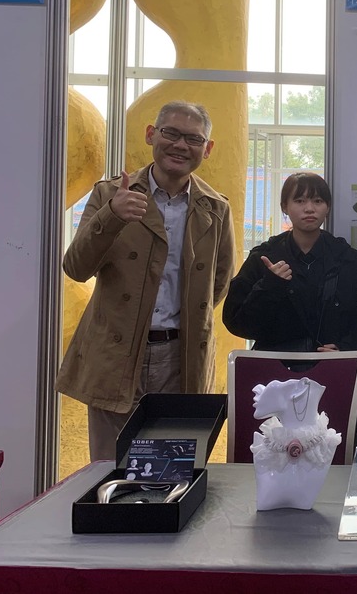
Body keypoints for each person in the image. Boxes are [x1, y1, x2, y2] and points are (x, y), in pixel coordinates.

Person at [57, 101, 236, 462]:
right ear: (151, 135)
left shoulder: (216, 209)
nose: (180, 145)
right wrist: (112, 217)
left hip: (179, 356)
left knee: (172, 466)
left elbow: (218, 283)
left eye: (193, 138)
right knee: (109, 466)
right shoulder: (110, 195)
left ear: (208, 148)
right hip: (118, 351)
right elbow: (76, 267)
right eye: (170, 133)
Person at [223, 172, 357, 356]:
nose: (309, 209)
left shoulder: (346, 258)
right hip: (274, 368)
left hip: (333, 366)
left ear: (328, 208)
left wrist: (347, 348)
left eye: (318, 201)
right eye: (300, 201)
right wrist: (269, 287)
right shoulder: (265, 257)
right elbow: (236, 322)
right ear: (284, 207)